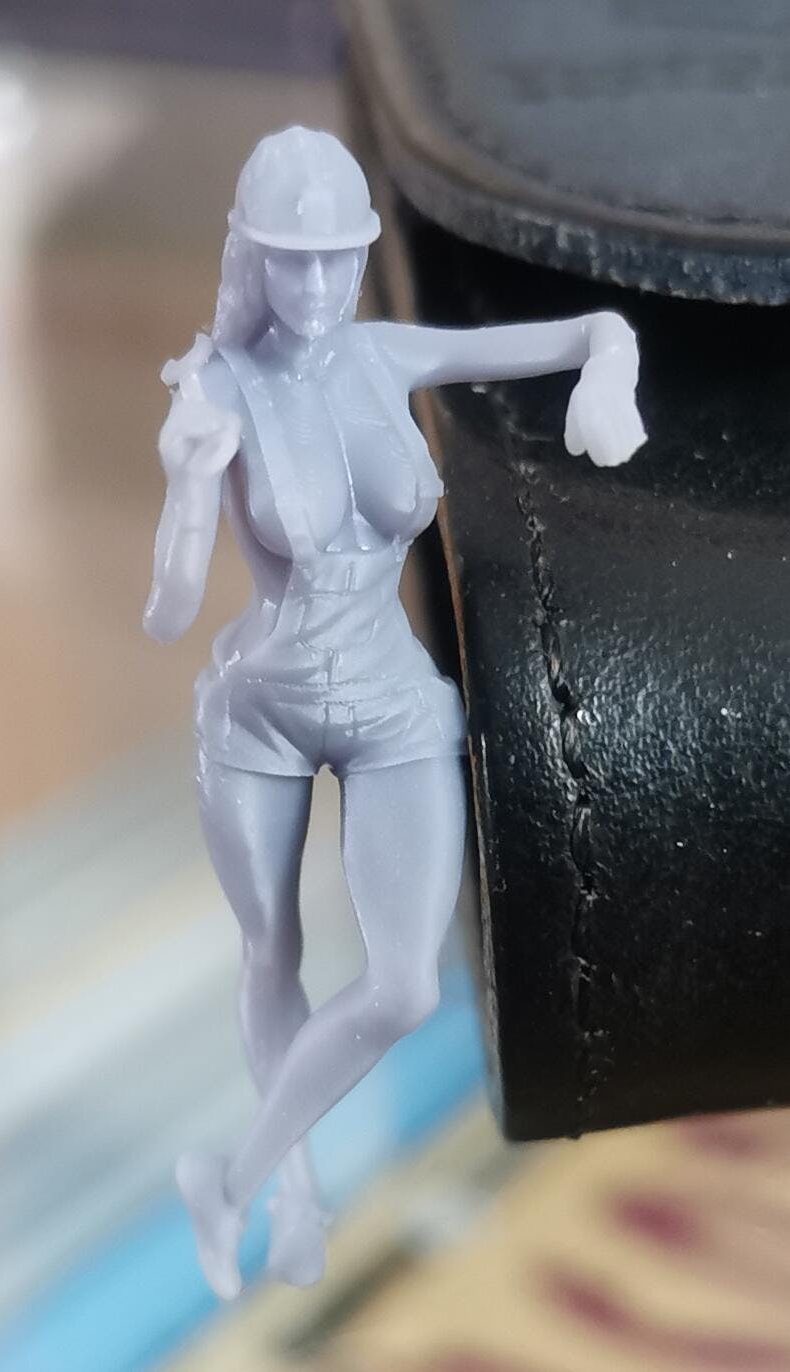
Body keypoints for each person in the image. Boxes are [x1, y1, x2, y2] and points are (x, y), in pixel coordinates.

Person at [143, 126, 645, 1299]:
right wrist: (186, 483)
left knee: (406, 985)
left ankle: (231, 1180)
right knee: (272, 948)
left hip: (391, 701)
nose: (319, 282)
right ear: (252, 255)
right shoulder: (216, 388)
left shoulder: (383, 353)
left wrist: (612, 374)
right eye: (292, 257)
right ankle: (294, 1191)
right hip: (261, 710)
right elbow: (167, 613)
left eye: (339, 254)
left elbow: (586, 329)